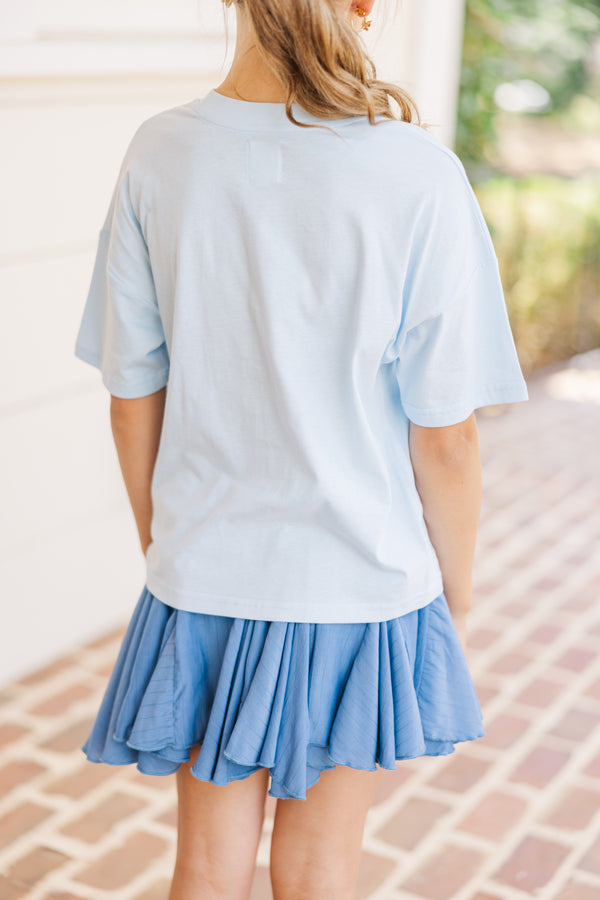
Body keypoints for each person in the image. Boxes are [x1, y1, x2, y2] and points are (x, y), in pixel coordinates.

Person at [73, 0, 529, 897]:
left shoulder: (161, 152)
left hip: (203, 574)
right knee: (320, 872)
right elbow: (449, 435)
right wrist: (457, 595)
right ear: (365, 6)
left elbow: (132, 399)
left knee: (204, 867)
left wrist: (164, 547)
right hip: (360, 588)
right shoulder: (419, 174)